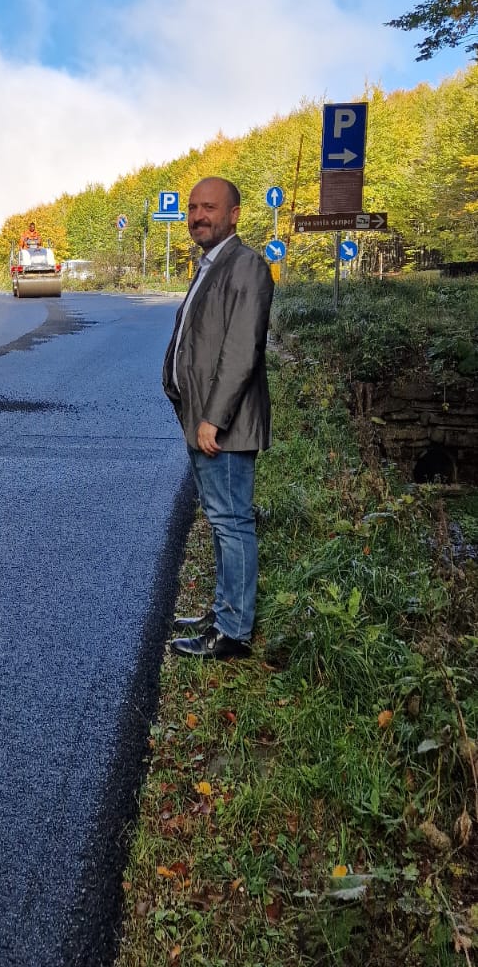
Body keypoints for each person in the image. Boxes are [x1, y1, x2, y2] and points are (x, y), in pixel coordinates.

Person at [162, 177, 274, 659]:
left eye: (209, 207)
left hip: (222, 425)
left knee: (231, 522)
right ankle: (225, 609)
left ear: (234, 214)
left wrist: (213, 418)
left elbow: (241, 351)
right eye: (192, 208)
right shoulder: (211, 264)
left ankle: (233, 633)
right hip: (203, 420)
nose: (197, 216)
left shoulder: (246, 266)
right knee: (219, 518)